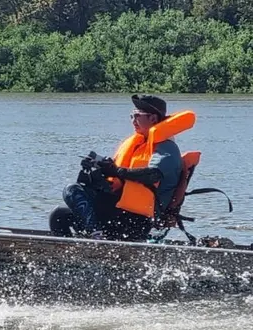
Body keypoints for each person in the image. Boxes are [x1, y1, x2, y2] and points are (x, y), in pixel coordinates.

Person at [49, 94, 189, 241]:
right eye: (131, 116)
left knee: (72, 190)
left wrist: (117, 171)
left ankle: (97, 237)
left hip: (135, 220)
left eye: (137, 116)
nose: (133, 120)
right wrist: (101, 168)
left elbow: (153, 175)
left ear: (153, 118)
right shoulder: (139, 144)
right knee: (59, 216)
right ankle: (77, 253)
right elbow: (121, 177)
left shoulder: (167, 147)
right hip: (119, 213)